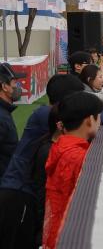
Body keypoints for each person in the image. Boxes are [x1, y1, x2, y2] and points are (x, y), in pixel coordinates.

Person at [0, 75, 86, 249]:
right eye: (79, 98)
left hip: (21, 191)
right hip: (18, 194)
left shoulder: (49, 115)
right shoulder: (45, 114)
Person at [43, 92, 103, 249]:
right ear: (89, 120)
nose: (101, 122)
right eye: (99, 117)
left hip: (57, 229)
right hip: (68, 235)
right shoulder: (78, 157)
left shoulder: (61, 146)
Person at [0, 63, 25, 178]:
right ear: (5, 86)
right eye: (15, 82)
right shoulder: (2, 118)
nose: (18, 87)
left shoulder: (4, 112)